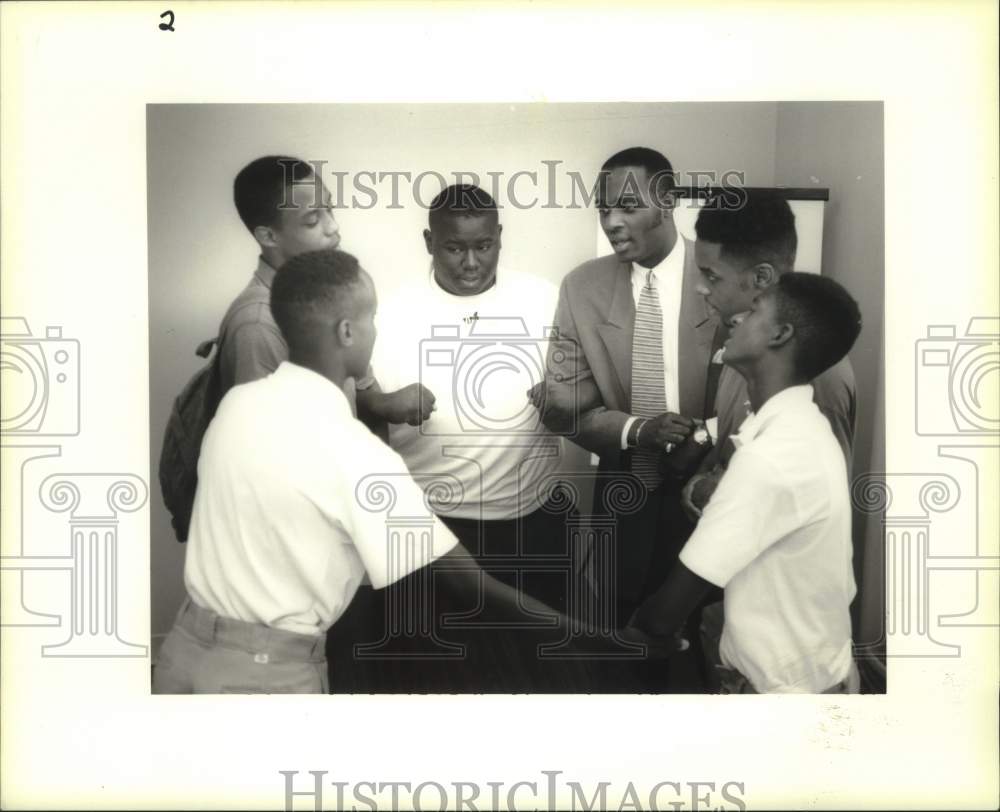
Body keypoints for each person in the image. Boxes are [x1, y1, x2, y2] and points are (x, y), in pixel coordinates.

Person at [152, 249, 558, 694]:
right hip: (263, 675)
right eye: (372, 318)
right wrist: (608, 638)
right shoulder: (357, 454)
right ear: (347, 331)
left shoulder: (235, 405)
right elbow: (472, 587)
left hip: (182, 653)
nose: (376, 330)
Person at [361, 184, 583, 691]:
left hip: (533, 521)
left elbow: (589, 388)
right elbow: (349, 414)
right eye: (453, 247)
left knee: (539, 669)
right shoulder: (388, 316)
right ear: (428, 242)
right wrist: (381, 403)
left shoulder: (547, 300)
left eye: (482, 245)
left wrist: (566, 396)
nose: (469, 262)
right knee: (438, 675)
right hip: (432, 528)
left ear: (500, 237)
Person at [626, 272, 863, 694]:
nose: (735, 319)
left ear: (781, 334)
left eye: (754, 310)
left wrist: (628, 638)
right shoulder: (799, 427)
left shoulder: (770, 457)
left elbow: (663, 615)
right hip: (817, 677)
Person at [543, 147, 721, 633]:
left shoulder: (721, 274)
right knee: (622, 631)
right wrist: (640, 430)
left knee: (707, 629)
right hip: (624, 488)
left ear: (666, 202)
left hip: (717, 485)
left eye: (627, 206)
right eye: (604, 209)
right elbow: (562, 404)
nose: (612, 221)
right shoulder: (581, 287)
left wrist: (702, 440)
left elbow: (762, 396)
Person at [682, 190, 857, 519]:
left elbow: (817, 508)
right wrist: (701, 485)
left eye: (711, 276)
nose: (700, 288)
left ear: (761, 277)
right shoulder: (742, 345)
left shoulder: (818, 372)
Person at [222, 155, 429, 426]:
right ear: (269, 236)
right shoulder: (258, 326)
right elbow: (266, 443)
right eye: (312, 221)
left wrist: (381, 403)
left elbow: (346, 387)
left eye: (329, 209)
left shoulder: (328, 289)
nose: (333, 227)